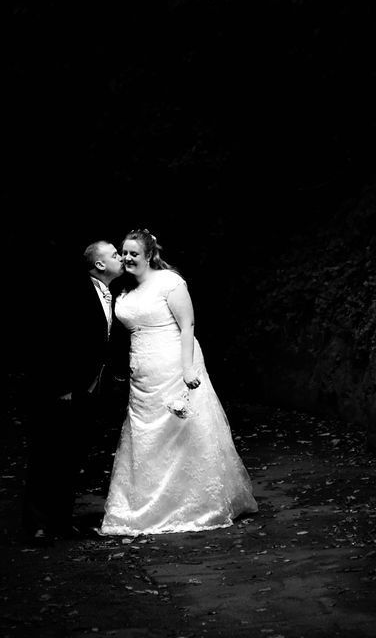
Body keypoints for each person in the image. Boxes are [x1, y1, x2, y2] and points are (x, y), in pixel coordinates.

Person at [100, 228, 258, 536]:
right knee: (146, 437)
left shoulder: (169, 282)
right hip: (142, 373)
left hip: (173, 364)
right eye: (124, 252)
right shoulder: (125, 290)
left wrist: (188, 369)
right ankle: (144, 507)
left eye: (134, 253)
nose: (128, 258)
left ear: (148, 255)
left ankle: (195, 505)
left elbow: (188, 326)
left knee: (182, 432)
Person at [21, 238, 126, 542]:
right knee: (48, 455)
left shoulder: (111, 293)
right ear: (99, 264)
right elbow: (55, 338)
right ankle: (37, 525)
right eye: (114, 254)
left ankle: (62, 522)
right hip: (64, 389)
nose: (121, 258)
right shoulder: (74, 290)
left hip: (90, 389)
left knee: (72, 456)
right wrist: (63, 386)